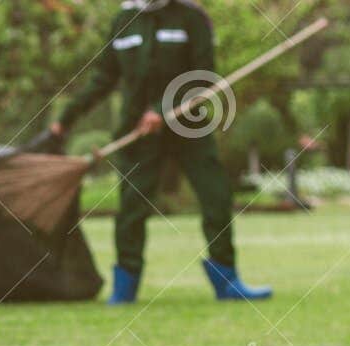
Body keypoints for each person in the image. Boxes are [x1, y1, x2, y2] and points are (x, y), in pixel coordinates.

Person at [49, 0, 271, 304]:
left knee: (216, 196)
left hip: (187, 127)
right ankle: (124, 288)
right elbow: (103, 77)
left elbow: (203, 74)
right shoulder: (123, 21)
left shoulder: (192, 17)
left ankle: (227, 280)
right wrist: (66, 119)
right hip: (137, 133)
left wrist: (162, 110)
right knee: (131, 209)